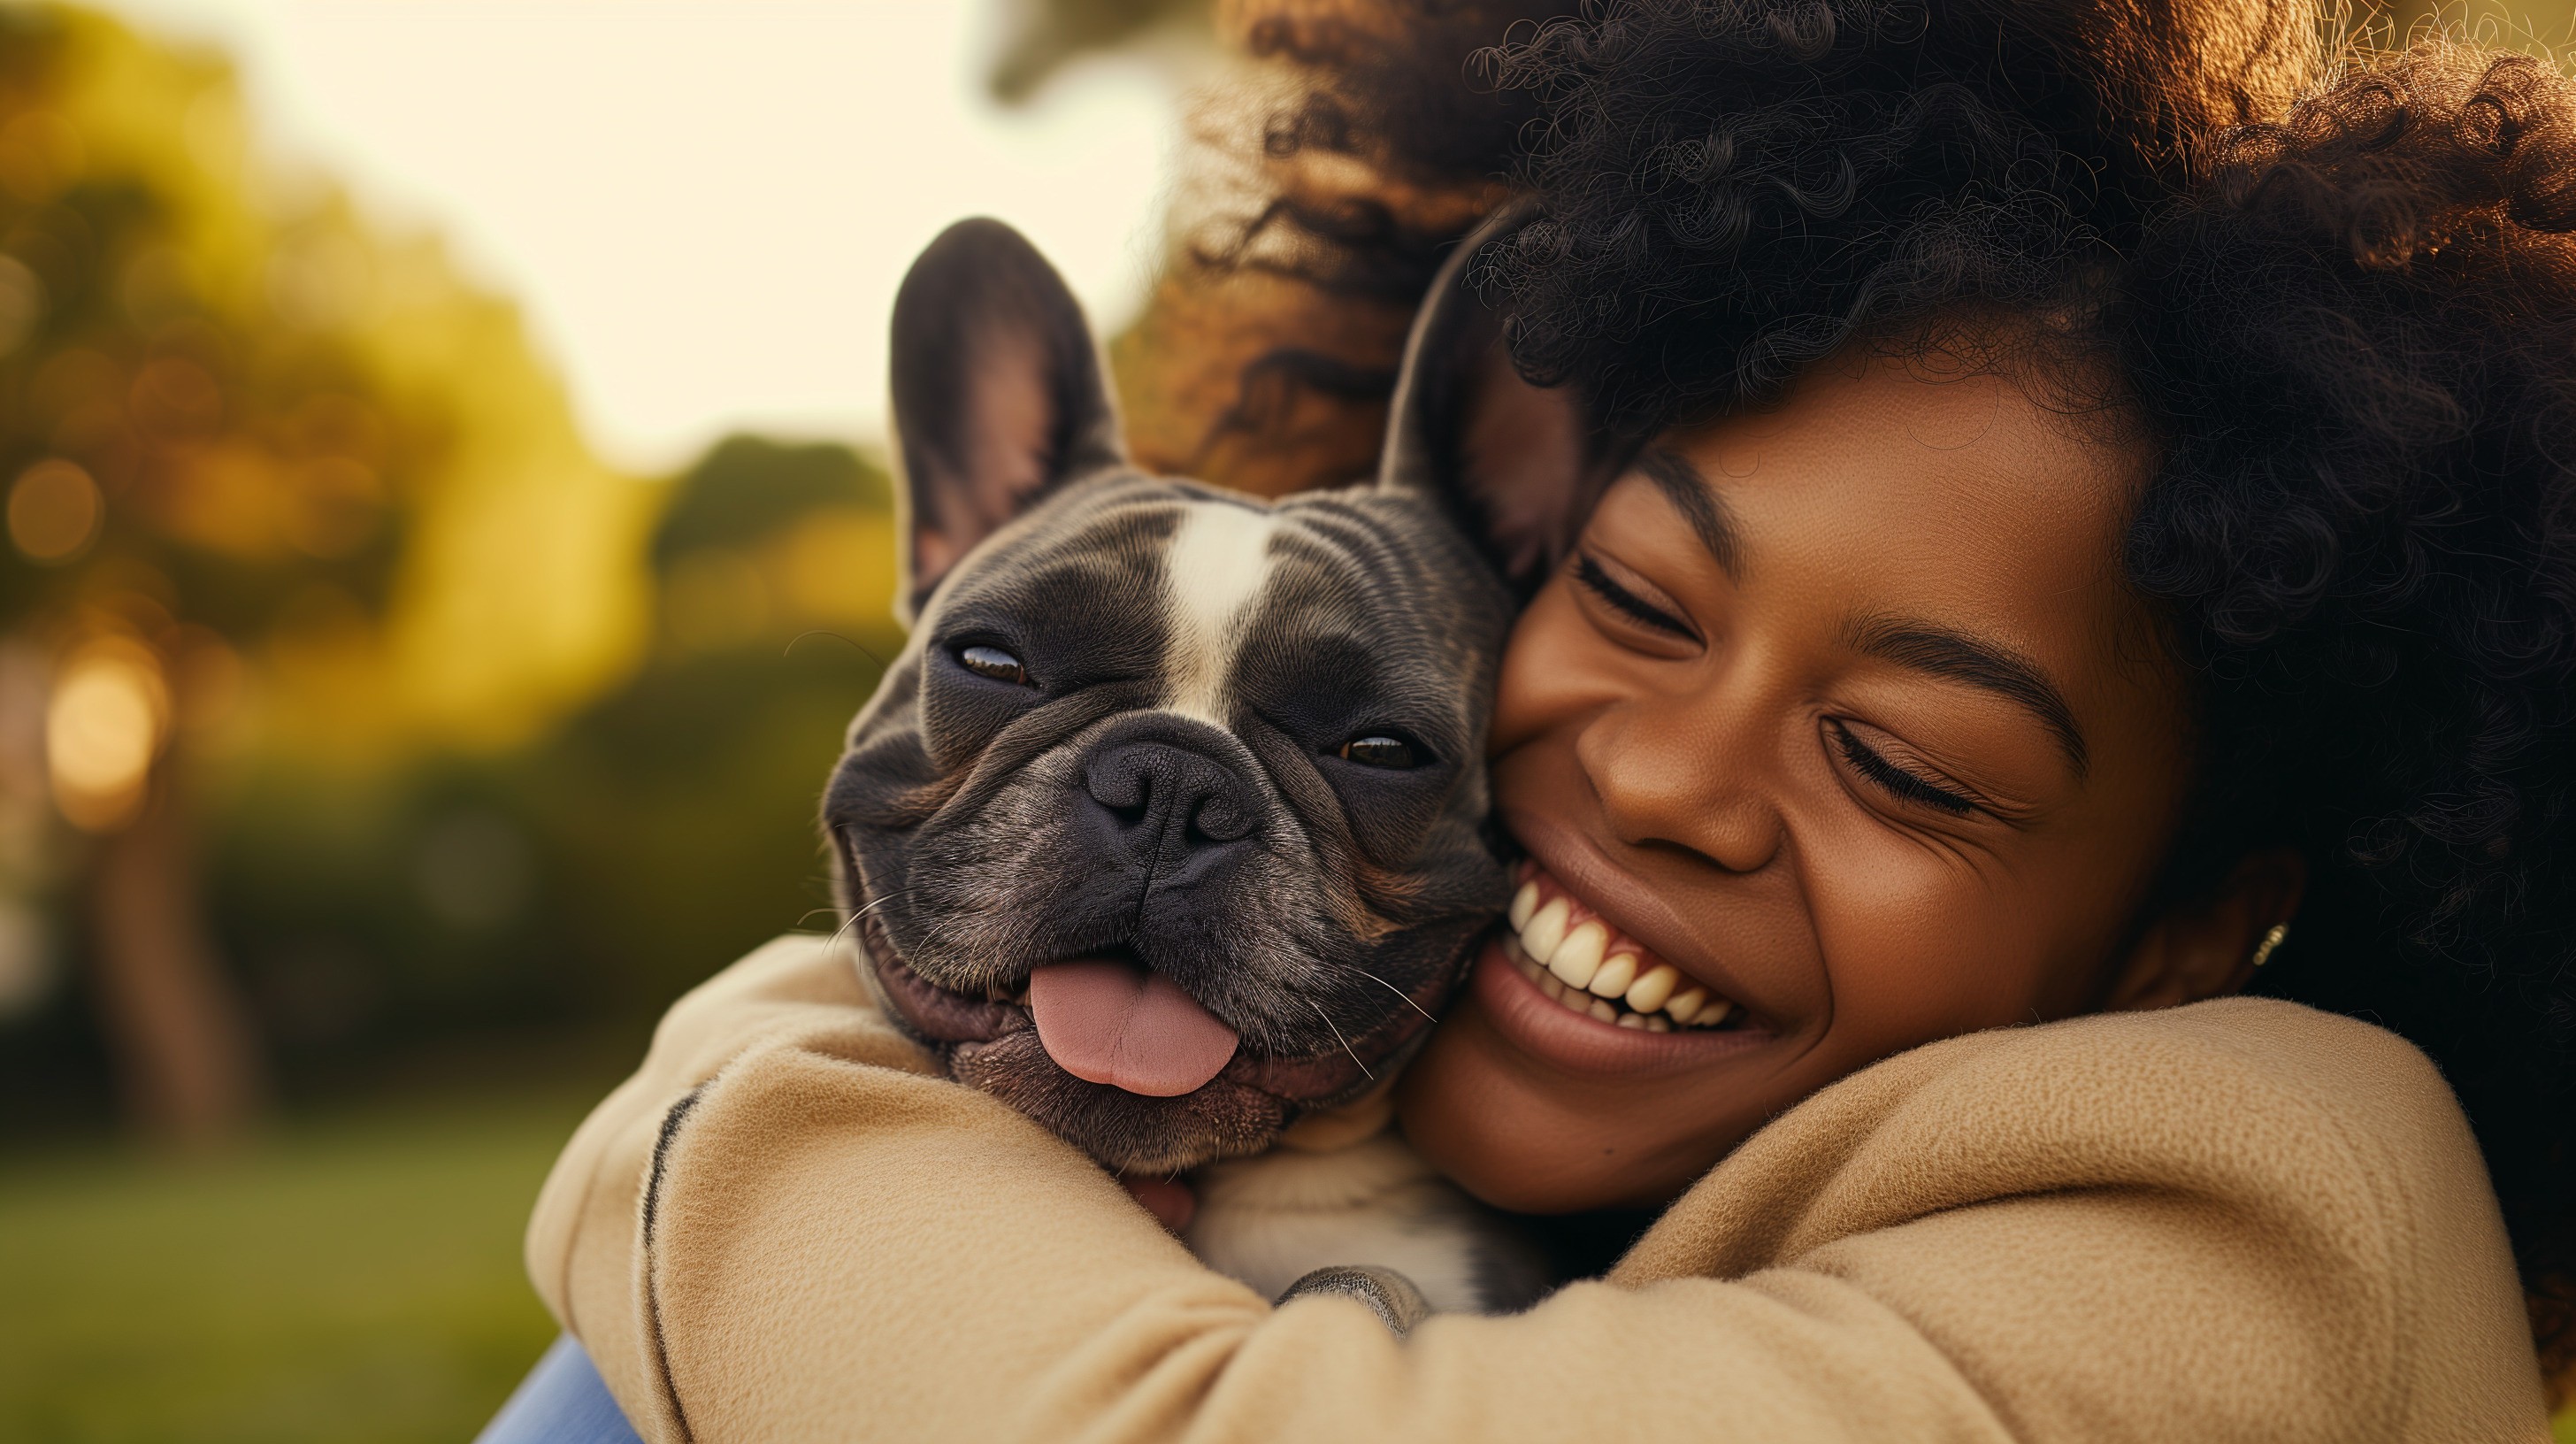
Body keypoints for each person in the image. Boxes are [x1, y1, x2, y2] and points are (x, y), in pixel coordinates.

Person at [486, 1, 2576, 1439]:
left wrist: (721, 1111)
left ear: (2194, 928)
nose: (1659, 776)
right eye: (1636, 599)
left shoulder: (2296, 1208)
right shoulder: (1564, 1147)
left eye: (1906, 764)